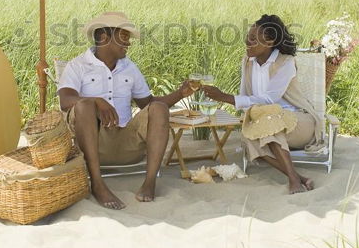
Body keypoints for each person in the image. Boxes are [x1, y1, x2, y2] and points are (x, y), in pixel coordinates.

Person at [57, 11, 193, 210]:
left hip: (127, 144)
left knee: (159, 108)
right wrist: (96, 101)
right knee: (84, 105)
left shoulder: (130, 68)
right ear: (104, 37)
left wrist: (180, 94)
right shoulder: (78, 66)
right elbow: (65, 100)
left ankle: (149, 182)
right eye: (124, 37)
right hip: (93, 145)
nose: (128, 43)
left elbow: (149, 105)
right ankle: (97, 183)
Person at [202, 14, 324, 194]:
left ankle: (293, 180)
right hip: (269, 124)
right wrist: (233, 103)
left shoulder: (286, 62)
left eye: (253, 39)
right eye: (247, 38)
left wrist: (226, 97)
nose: (247, 42)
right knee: (250, 136)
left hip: (299, 123)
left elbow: (269, 100)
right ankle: (299, 178)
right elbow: (245, 97)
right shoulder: (247, 62)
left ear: (269, 42)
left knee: (267, 119)